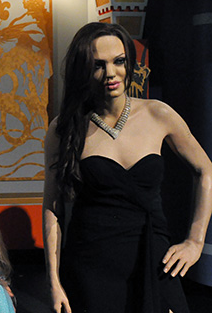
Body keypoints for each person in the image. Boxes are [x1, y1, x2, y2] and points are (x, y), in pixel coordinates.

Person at [42, 22, 212, 313]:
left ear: (129, 63)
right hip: (91, 267)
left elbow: (205, 169)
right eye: (98, 65)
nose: (110, 74)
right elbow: (53, 209)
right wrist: (54, 282)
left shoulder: (158, 113)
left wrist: (195, 241)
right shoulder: (66, 128)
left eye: (118, 62)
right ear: (83, 69)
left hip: (155, 258)